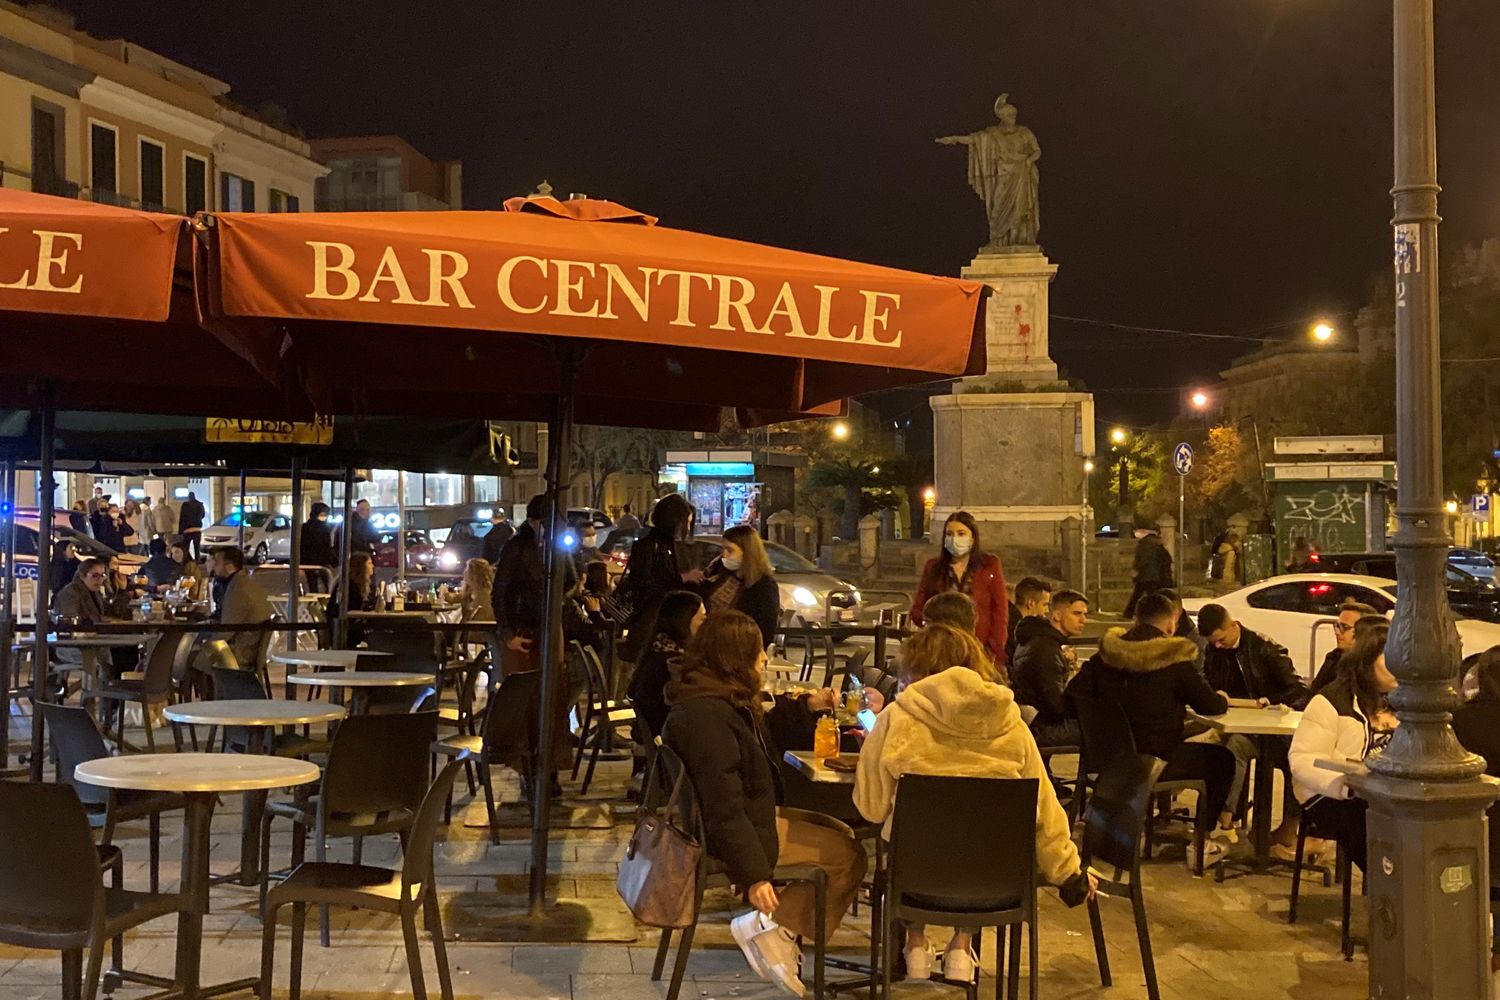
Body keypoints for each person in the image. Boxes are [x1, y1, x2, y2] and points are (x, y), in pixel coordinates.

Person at [855, 623, 1092, 982]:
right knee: (978, 839)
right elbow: (1045, 810)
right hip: (994, 885)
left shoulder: (896, 718)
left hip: (916, 882)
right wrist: (1068, 872)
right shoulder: (1010, 722)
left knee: (914, 842)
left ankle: (915, 942)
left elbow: (870, 807)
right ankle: (962, 947)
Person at [662, 610, 867, 997]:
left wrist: (804, 708)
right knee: (849, 856)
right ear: (734, 657)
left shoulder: (709, 697)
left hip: (748, 817)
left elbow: (756, 741)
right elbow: (723, 808)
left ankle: (777, 929)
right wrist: (755, 876)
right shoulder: (708, 716)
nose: (763, 658)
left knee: (837, 829)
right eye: (758, 651)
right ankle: (774, 927)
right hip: (734, 834)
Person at [1065, 592, 1236, 867]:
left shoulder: (1105, 657)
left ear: (1135, 620)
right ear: (1170, 623)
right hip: (1154, 763)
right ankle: (1203, 841)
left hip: (1106, 759)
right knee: (1222, 760)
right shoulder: (1174, 660)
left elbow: (1071, 699)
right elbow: (1211, 706)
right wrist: (1223, 698)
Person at [1196, 603, 1309, 848]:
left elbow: (1297, 690)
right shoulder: (1214, 650)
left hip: (1274, 733)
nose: (1218, 646)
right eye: (1213, 642)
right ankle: (1223, 821)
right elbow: (1207, 682)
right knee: (1222, 747)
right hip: (1240, 726)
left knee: (1233, 746)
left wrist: (1272, 704)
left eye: (1221, 639)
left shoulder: (1264, 649)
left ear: (1233, 626)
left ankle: (1226, 823)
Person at [1288, 622, 1396, 875]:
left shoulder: (1406, 703)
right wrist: (1346, 785)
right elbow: (1302, 760)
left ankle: (1405, 885)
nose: (1398, 666)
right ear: (1367, 660)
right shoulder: (1332, 699)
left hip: (1387, 795)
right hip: (1331, 793)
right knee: (1368, 821)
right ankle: (1388, 882)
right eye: (1388, 658)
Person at [910, 511, 1009, 666]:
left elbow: (1000, 611)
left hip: (980, 650)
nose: (954, 538)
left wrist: (993, 649)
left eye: (961, 533)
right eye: (949, 534)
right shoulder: (933, 567)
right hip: (942, 652)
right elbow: (918, 609)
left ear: (973, 538)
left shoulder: (989, 565)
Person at [619, 493, 703, 659]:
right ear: (673, 521)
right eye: (686, 522)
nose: (687, 528)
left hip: (662, 623)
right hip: (649, 624)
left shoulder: (669, 545)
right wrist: (683, 578)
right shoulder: (649, 547)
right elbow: (645, 584)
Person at [1012, 589, 1087, 748]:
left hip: (1032, 721)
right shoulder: (1046, 649)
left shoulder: (1037, 639)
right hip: (1041, 727)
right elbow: (1055, 705)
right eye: (1077, 614)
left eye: (1084, 614)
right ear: (1057, 615)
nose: (1083, 620)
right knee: (1100, 729)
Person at [630, 590, 707, 737]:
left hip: (654, 733)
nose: (707, 624)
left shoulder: (658, 647)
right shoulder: (673, 663)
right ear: (683, 621)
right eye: (702, 619)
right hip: (666, 736)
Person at [703, 524, 781, 648]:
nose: (724, 555)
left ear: (747, 552)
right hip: (709, 644)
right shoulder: (720, 573)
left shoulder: (764, 586)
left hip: (739, 649)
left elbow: (766, 629)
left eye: (730, 550)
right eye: (724, 549)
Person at [207, 546, 270, 671]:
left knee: (190, 653)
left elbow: (226, 631)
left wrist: (205, 642)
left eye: (217, 562)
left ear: (229, 567)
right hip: (250, 645)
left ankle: (206, 682)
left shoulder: (237, 589)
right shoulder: (246, 582)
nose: (214, 566)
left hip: (239, 652)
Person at [1310, 601, 1380, 694]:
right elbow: (1314, 693)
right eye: (1337, 626)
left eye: (1344, 627)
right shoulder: (1334, 657)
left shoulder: (1373, 666)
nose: (1337, 632)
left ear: (1365, 630)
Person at [329, 551, 378, 648]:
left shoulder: (350, 583)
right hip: (347, 631)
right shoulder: (350, 587)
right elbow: (354, 610)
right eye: (369, 563)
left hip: (342, 628)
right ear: (361, 567)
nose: (373, 566)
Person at [1123, 531, 1173, 619]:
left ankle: (1129, 614)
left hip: (1146, 575)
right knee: (1148, 596)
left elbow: (1143, 559)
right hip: (1155, 575)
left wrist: (1136, 569)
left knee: (1141, 596)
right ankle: (1129, 614)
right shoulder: (1156, 544)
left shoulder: (1145, 544)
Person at [1004, 576, 1052, 663]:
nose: (1047, 610)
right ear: (1031, 603)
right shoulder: (1018, 631)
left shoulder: (1007, 619)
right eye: (1045, 605)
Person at [300, 502, 338, 572]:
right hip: (321, 562)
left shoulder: (304, 527)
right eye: (323, 514)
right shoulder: (323, 528)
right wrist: (334, 562)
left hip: (307, 563)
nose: (325, 517)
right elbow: (326, 547)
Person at [179, 491, 206, 560]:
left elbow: (182, 517)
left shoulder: (185, 505)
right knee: (197, 547)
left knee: (186, 547)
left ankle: (186, 560)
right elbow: (203, 515)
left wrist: (180, 530)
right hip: (197, 528)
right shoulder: (200, 504)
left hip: (187, 529)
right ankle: (197, 560)